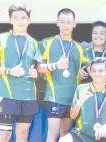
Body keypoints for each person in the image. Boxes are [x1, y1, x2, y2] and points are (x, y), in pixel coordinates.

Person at [36, 8, 90, 142]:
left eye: (69, 22)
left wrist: (85, 70)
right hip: (54, 96)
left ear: (75, 24)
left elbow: (88, 67)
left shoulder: (79, 47)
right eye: (63, 22)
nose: (66, 25)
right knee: (52, 134)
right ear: (57, 23)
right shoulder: (47, 42)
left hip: (72, 98)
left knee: (65, 134)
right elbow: (39, 68)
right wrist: (56, 65)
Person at [0, 3, 39, 142]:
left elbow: (38, 69)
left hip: (29, 96)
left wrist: (36, 73)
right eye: (16, 17)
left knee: (23, 134)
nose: (20, 21)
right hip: (7, 95)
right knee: (4, 136)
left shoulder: (34, 43)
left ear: (29, 20)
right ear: (10, 20)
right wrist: (8, 71)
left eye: (23, 17)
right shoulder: (0, 39)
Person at [59, 57, 106, 142]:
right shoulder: (81, 89)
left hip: (103, 136)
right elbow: (72, 116)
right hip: (81, 135)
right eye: (93, 71)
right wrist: (80, 102)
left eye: (101, 71)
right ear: (90, 73)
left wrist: (105, 127)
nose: (97, 73)